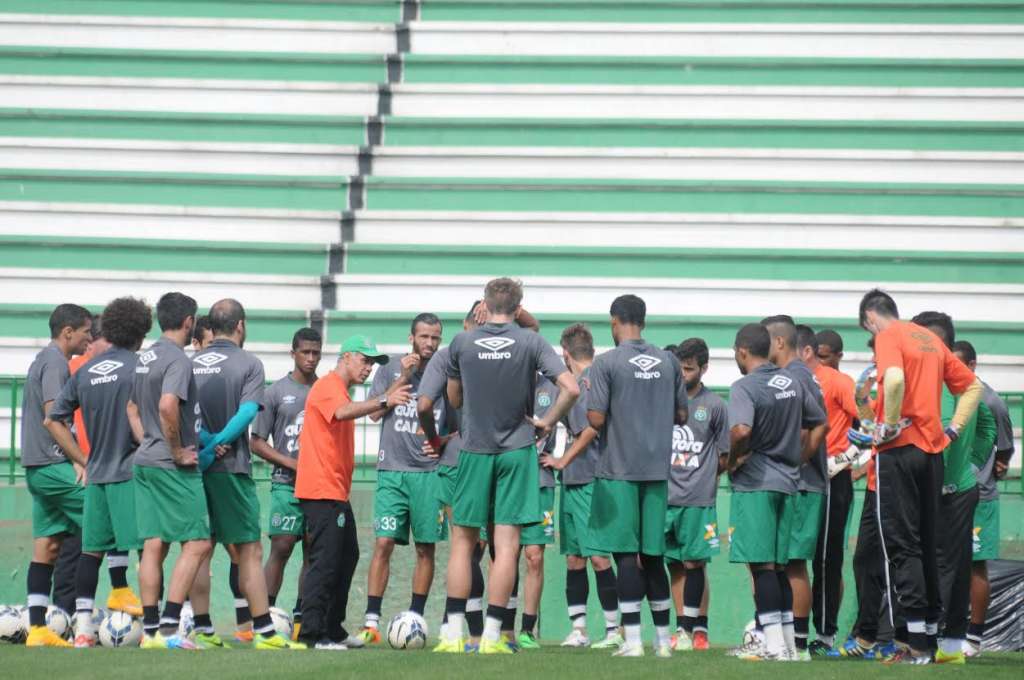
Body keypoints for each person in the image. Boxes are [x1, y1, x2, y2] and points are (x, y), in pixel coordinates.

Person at [433, 278, 579, 655]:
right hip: (517, 450)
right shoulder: (530, 341)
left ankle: (452, 635)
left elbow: (453, 397)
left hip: (474, 449)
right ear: (518, 307)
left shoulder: (462, 342)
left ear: (483, 304)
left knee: (462, 544)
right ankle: (495, 637)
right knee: (507, 544)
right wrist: (547, 421)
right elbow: (572, 388)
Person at [857, 290, 982, 664]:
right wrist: (954, 430)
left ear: (870, 318)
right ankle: (928, 636)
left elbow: (893, 380)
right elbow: (972, 387)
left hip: (898, 453)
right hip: (932, 453)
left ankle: (913, 644)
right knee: (927, 543)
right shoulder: (930, 339)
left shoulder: (888, 335)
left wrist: (890, 425)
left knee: (901, 544)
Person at [191, 299, 299, 649]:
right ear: (240, 325)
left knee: (200, 549)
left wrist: (206, 444)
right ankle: (264, 632)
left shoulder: (191, 363)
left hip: (195, 467)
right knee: (250, 551)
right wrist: (220, 442)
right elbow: (248, 412)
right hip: (230, 468)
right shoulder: (249, 363)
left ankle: (204, 630)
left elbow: (186, 416)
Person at [44, 297, 152, 646]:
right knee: (149, 549)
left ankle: (85, 631)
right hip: (131, 474)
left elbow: (52, 419)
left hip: (98, 475)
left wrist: (83, 459)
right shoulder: (139, 368)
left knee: (91, 551)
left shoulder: (87, 371)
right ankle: (154, 627)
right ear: (139, 332)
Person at [585, 294, 688, 658]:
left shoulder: (606, 362)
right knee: (654, 556)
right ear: (642, 321)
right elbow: (681, 416)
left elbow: (595, 419)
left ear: (614, 322)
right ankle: (663, 643)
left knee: (626, 557)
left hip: (619, 471)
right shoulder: (669, 361)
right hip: (657, 472)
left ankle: (632, 642)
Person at [295, 335, 411, 650]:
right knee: (326, 561)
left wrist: (393, 388)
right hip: (321, 490)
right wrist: (386, 399)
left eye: (372, 362)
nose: (369, 367)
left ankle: (332, 628)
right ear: (346, 357)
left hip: (334, 491)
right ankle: (312, 634)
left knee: (347, 556)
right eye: (364, 359)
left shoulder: (338, 388)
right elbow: (345, 412)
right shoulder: (327, 386)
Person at [726, 323, 825, 662]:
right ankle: (787, 647)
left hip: (756, 483)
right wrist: (800, 457)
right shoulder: (792, 382)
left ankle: (771, 645)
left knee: (762, 567)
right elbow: (820, 422)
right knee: (781, 567)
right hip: (790, 482)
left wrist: (734, 459)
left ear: (742, 351)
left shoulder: (744, 386)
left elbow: (740, 429)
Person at [909, 313, 994, 665]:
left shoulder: (942, 385)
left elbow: (938, 437)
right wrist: (971, 465)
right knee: (951, 565)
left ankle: (935, 642)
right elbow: (986, 427)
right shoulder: (966, 382)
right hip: (956, 487)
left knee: (940, 565)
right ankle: (947, 643)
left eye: (918, 339)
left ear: (935, 344)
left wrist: (960, 468)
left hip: (944, 490)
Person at [128, 292, 212, 650]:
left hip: (144, 459)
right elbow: (167, 406)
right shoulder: (177, 359)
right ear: (189, 321)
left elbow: (132, 407)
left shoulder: (143, 357)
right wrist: (176, 451)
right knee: (198, 542)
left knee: (153, 543)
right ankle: (168, 628)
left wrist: (148, 441)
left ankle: (150, 632)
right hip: (167, 464)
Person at [358, 314, 446, 643]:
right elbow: (375, 412)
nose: (429, 344)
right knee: (383, 543)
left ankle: (416, 618)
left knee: (425, 549)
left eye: (435, 338)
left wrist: (443, 442)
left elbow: (459, 420)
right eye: (424, 336)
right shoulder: (390, 367)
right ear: (411, 337)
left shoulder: (447, 370)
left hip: (428, 474)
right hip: (392, 469)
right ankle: (370, 622)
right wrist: (403, 378)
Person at [541, 324, 621, 650]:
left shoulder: (590, 381)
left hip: (591, 478)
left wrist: (561, 460)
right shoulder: (576, 385)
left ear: (564, 352)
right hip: (573, 480)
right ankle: (579, 629)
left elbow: (589, 429)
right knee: (574, 558)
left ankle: (615, 629)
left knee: (599, 556)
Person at [22, 304, 93, 647]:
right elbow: (54, 416)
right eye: (86, 332)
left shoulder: (42, 359)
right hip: (52, 466)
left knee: (48, 547)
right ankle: (118, 599)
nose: (90, 338)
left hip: (38, 470)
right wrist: (81, 460)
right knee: (104, 514)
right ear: (68, 332)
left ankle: (37, 629)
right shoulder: (54, 363)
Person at [759, 316, 828, 661]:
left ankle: (798, 644)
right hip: (801, 482)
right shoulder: (802, 376)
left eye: (765, 341)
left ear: (780, 343)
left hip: (803, 484)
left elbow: (811, 428)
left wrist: (796, 461)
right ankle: (787, 640)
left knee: (794, 563)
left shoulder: (794, 377)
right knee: (785, 563)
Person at [252, 327, 323, 641]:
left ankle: (300, 617)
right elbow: (257, 441)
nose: (310, 358)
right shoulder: (276, 391)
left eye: (315, 352)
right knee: (281, 546)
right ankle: (266, 616)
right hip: (285, 482)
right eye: (305, 352)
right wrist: (291, 463)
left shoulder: (326, 390)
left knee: (312, 551)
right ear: (292, 353)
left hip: (318, 488)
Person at [664, 338, 728, 652]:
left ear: (703, 368)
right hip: (664, 498)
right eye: (679, 368)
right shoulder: (661, 401)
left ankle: (696, 629)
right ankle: (684, 628)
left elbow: (725, 455)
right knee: (674, 565)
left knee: (695, 564)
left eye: (689, 369)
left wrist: (703, 477)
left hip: (697, 499)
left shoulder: (714, 405)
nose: (683, 374)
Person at [952, 341, 1014, 658]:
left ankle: (974, 638)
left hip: (980, 498)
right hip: (948, 495)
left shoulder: (990, 401)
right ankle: (944, 632)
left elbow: (1004, 449)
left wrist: (991, 471)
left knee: (976, 565)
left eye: (959, 364)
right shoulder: (946, 397)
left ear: (973, 366)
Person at [804, 327, 859, 655]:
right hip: (802, 474)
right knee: (798, 557)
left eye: (825, 355)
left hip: (831, 477)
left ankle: (824, 635)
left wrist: (847, 458)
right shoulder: (797, 379)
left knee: (827, 559)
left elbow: (869, 422)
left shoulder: (839, 382)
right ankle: (791, 628)